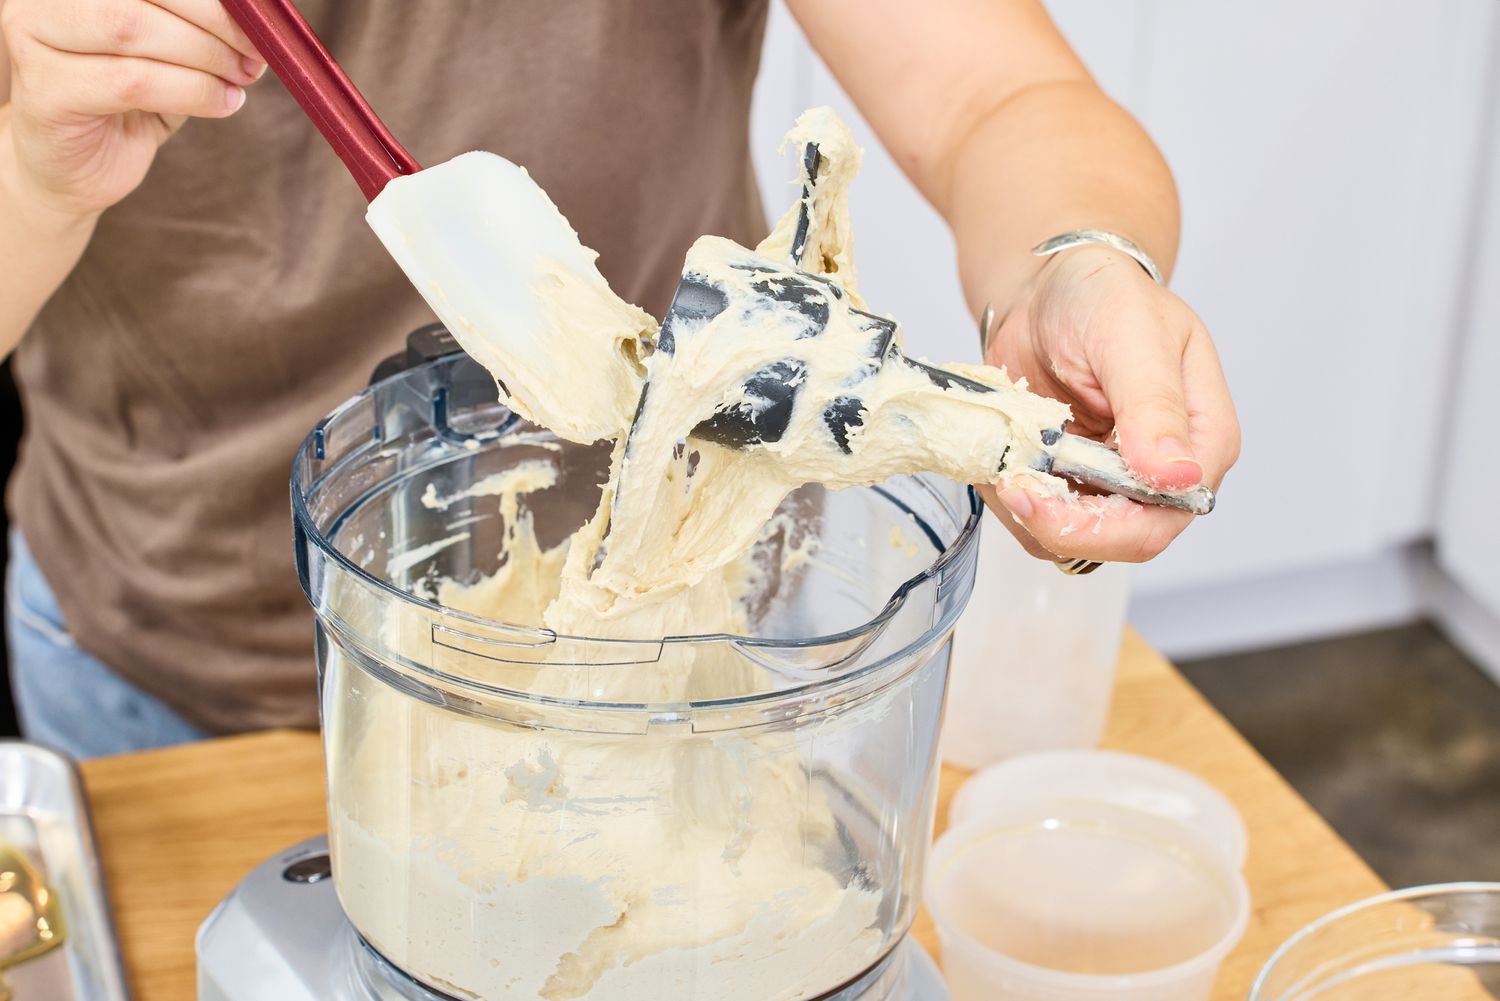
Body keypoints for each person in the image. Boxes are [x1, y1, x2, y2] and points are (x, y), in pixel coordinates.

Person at [0, 0, 1239, 759]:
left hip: (698, 631)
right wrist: (35, 173)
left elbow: (997, 93)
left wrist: (1078, 259)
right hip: (183, 672)